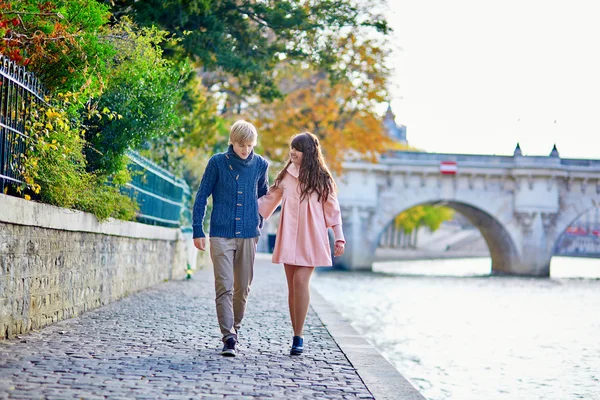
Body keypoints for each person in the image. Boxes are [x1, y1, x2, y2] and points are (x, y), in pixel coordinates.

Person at [258, 132, 345, 356]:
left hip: (311, 236)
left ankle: (300, 335)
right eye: (291, 148)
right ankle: (295, 335)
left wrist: (339, 236)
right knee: (292, 287)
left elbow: (333, 210)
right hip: (288, 234)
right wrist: (247, 210)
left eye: (297, 149)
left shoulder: (322, 179)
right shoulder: (286, 175)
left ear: (308, 152)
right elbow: (270, 199)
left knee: (300, 281)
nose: (292, 152)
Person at [192, 120, 269, 357]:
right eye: (241, 145)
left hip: (248, 234)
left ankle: (235, 327)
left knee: (242, 289)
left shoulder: (261, 165)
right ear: (231, 142)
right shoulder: (217, 163)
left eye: (249, 145)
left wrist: (259, 223)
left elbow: (265, 197)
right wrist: (198, 230)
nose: (245, 150)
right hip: (220, 234)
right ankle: (228, 337)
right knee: (224, 286)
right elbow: (202, 196)